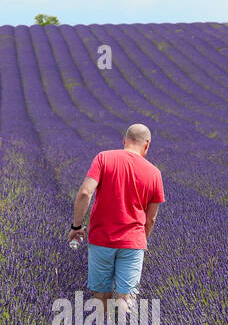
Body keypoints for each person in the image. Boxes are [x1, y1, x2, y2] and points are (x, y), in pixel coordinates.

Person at [69, 124, 165, 313]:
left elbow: (85, 193)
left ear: (124, 140)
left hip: (101, 239)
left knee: (101, 297)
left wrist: (77, 226)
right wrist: (140, 240)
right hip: (133, 242)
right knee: (125, 298)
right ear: (147, 145)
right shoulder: (155, 173)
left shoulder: (104, 158)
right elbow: (151, 218)